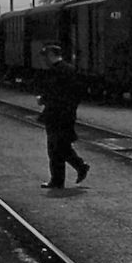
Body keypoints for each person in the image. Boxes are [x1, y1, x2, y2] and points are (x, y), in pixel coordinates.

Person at [37, 43, 90, 189]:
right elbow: (76, 93)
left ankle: (64, 176)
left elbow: (55, 93)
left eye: (45, 56)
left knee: (55, 148)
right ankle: (73, 170)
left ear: (51, 55)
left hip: (57, 115)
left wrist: (43, 99)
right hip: (65, 114)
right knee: (61, 146)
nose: (44, 60)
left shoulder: (56, 72)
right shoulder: (70, 70)